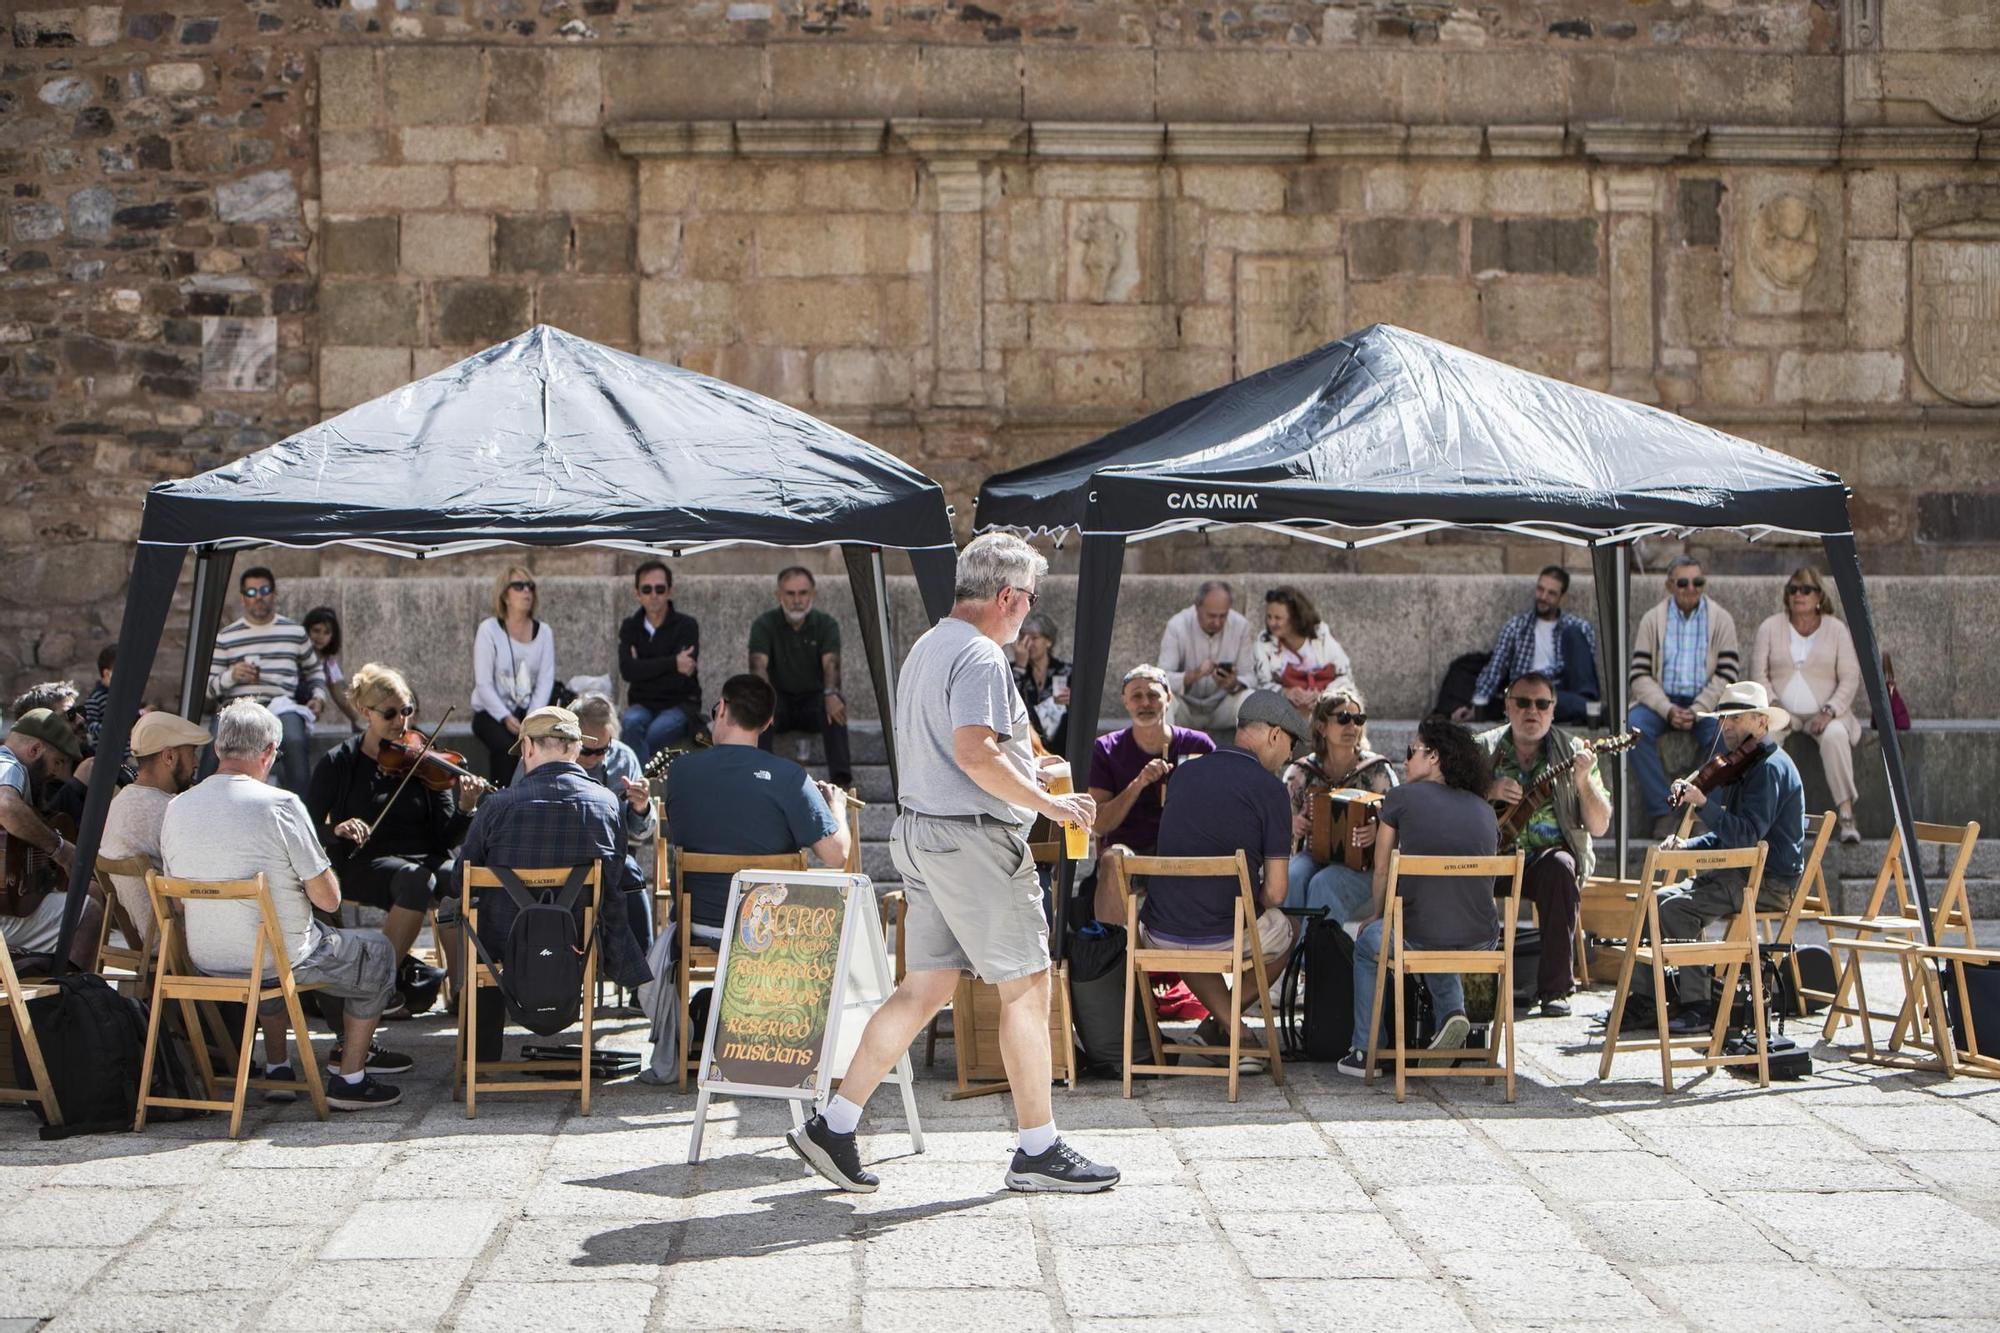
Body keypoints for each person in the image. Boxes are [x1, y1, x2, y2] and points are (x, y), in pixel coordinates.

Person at [786, 532, 1118, 1196]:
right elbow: (975, 752)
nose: (1029, 613)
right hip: (969, 839)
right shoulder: (980, 655)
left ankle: (836, 1123)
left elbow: (965, 749)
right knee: (1026, 984)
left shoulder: (930, 644)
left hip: (924, 832)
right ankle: (1038, 1146)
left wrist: (1026, 769)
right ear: (1006, 595)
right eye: (1029, 599)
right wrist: (1047, 805)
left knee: (925, 986)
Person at [163, 701, 405, 1109]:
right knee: (375, 953)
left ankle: (278, 1068)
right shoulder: (280, 805)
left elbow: (183, 904)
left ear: (220, 749)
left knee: (269, 945)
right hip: (276, 959)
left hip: (205, 958)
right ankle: (350, 1078)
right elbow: (328, 898)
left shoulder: (177, 807)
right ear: (269, 752)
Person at [456, 705, 649, 1063]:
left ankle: (479, 1064)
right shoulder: (607, 804)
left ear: (528, 747)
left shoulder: (497, 806)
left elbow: (461, 878)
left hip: (503, 945)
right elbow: (615, 875)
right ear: (575, 748)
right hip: (581, 941)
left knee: (476, 928)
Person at [1126, 690, 1303, 1068]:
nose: (1288, 757)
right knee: (1289, 929)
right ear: (1274, 735)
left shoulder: (1183, 774)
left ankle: (1216, 1025)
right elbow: (1275, 891)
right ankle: (1235, 1032)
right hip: (1223, 934)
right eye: (1290, 745)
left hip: (1158, 932)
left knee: (1189, 928)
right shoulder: (1271, 789)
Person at [306, 664, 481, 1008]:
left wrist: (466, 807)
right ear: (365, 712)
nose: (401, 722)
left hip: (422, 857)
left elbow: (445, 839)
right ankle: (377, 986)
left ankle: (461, 990)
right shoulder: (339, 763)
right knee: (418, 882)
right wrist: (336, 829)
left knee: (456, 876)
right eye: (389, 713)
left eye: (407, 711)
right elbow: (305, 830)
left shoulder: (423, 756)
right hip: (363, 861)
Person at [1341, 717, 1499, 1077]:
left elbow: (1381, 869)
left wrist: (1377, 914)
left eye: (1412, 751)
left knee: (1371, 943)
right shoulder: (1485, 810)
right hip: (1481, 939)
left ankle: (1365, 1050)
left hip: (1420, 936)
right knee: (1434, 931)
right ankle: (1452, 1016)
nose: (1405, 760)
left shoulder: (1400, 798)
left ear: (1434, 758)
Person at [1652, 680, 1807, 1026]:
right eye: (1725, 719)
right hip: (1741, 872)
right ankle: (1649, 999)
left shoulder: (1768, 769)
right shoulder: (1745, 766)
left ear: (1762, 723)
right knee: (1656, 901)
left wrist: (1705, 805)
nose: (1728, 726)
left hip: (1766, 881)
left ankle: (1698, 1006)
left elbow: (1747, 837)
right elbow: (1727, 838)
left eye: (1737, 718)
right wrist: (1686, 846)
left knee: (1678, 909)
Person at [661, 674, 849, 934]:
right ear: (768, 722)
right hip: (768, 929)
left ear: (723, 708)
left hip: (697, 923)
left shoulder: (680, 771)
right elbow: (837, 855)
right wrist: (837, 806)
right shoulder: (791, 778)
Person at [1476, 671, 1612, 1017]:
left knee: (1561, 868)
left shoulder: (1574, 750)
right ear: (1507, 706)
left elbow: (1598, 826)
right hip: (1490, 855)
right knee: (1464, 873)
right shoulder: (1482, 749)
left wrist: (1583, 781)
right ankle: (1474, 982)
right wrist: (1487, 790)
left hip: (1543, 859)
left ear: (1552, 710)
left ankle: (1555, 990)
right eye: (1522, 702)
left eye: (1541, 704)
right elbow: (1448, 799)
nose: (1531, 711)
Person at [1750, 567, 1863, 846]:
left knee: (1836, 736)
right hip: (1781, 711)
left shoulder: (1836, 629)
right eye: (1793, 590)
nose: (1798, 595)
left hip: (1826, 713)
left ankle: (1847, 814)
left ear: (1819, 596)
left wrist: (1829, 711)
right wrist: (1775, 706)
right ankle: (1762, 819)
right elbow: (1758, 673)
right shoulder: (1770, 627)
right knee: (1764, 741)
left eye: (1806, 589)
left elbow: (1850, 677)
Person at [1627, 556, 1739, 838]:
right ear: (1669, 585)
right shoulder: (1653, 619)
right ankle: (1663, 811)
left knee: (1726, 736)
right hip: (1662, 701)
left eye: (1698, 582)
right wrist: (1667, 709)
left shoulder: (1721, 619)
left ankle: (1705, 814)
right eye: (1683, 582)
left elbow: (1728, 675)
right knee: (1632, 728)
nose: (1691, 588)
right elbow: (1638, 676)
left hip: (1706, 702)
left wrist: (1700, 708)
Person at [207, 566, 329, 796]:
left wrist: (318, 698)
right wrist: (232, 675)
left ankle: (302, 810)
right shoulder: (227, 636)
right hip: (236, 706)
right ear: (243, 598)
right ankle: (205, 805)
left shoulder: (294, 632)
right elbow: (209, 688)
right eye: (251, 592)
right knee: (213, 742)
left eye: (264, 590)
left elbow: (315, 672)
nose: (259, 597)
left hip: (281, 705)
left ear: (274, 594)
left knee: (294, 740)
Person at [1284, 687, 1397, 924]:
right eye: (1343, 718)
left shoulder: (1377, 770)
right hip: (1313, 855)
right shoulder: (1301, 772)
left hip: (1364, 866)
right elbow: (1278, 819)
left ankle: (1317, 957)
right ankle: (1288, 950)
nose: (1352, 727)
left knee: (1324, 883)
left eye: (1358, 719)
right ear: (1321, 726)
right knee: (1292, 875)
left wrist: (1379, 832)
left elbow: (1401, 819)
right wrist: (1293, 823)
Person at [100, 711, 212, 949]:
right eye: (192, 753)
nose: (196, 763)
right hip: (180, 943)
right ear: (169, 756)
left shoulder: (119, 803)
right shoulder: (170, 810)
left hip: (147, 937)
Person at [0, 709, 97, 967]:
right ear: (35, 750)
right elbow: (6, 807)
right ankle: (64, 1001)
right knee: (88, 912)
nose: (58, 772)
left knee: (86, 894)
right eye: (57, 762)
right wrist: (60, 849)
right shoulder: (9, 766)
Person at [1087, 665, 1215, 856]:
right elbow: (1099, 826)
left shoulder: (1198, 745)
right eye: (1136, 696)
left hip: (1184, 851)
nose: (1145, 703)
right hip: (1128, 851)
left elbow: (1216, 805)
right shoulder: (1106, 749)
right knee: (1114, 857)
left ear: (1169, 698)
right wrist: (1139, 783)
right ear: (1125, 702)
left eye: (1154, 695)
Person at [1455, 566, 1601, 725]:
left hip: (1564, 691)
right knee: (1535, 700)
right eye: (1540, 589)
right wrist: (1476, 707)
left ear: (1562, 598)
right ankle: (1591, 710)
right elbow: (1495, 670)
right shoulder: (1516, 627)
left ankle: (1585, 706)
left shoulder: (1581, 627)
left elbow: (1583, 673)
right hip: (1530, 694)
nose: (1543, 597)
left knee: (1573, 633)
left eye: (1551, 593)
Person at [749, 566, 852, 788]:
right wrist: (765, 701)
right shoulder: (764, 624)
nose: (797, 600)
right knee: (759, 702)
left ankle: (841, 781)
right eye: (790, 593)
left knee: (836, 702)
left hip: (814, 703)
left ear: (812, 595)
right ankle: (760, 778)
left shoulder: (826, 624)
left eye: (803, 593)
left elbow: (831, 663)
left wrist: (831, 693)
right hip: (779, 704)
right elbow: (758, 666)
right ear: (779, 596)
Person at [473, 565, 558, 786]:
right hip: (492, 713)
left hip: (530, 713)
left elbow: (545, 681)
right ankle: (500, 802)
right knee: (505, 748)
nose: (526, 592)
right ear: (505, 595)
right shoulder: (489, 629)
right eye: (518, 586)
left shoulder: (544, 632)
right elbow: (483, 684)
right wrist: (505, 717)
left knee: (541, 747)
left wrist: (530, 720)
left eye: (530, 586)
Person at [618, 560, 701, 765]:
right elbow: (628, 671)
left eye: (660, 589)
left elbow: (682, 681)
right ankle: (642, 788)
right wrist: (673, 663)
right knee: (629, 723)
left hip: (679, 704)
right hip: (642, 704)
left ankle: (637, 788)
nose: (653, 595)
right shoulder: (630, 626)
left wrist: (644, 668)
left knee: (654, 734)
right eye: (647, 589)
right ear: (637, 593)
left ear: (670, 591)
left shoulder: (686, 626)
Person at [1157, 580, 1255, 733]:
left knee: (1249, 699)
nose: (1217, 622)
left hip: (1222, 707)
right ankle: (1164, 756)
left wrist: (1234, 684)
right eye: (1211, 616)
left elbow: (1250, 676)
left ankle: (1245, 756)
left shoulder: (1240, 626)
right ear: (1197, 607)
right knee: (1163, 702)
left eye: (1223, 616)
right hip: (1185, 709)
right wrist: (1195, 675)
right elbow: (1161, 678)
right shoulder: (1177, 626)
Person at [1251, 585, 1355, 718]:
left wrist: (1324, 695)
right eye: (1269, 617)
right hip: (1285, 712)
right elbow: (1259, 684)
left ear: (1295, 618)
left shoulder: (1320, 635)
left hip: (1325, 708)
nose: (1272, 623)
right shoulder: (1264, 643)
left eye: (1278, 618)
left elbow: (1345, 676)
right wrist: (1286, 692)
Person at [1013, 611, 1071, 756]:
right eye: (1023, 637)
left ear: (1048, 641)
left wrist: (1073, 700)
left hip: (1062, 747)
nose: (1028, 643)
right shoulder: (1013, 670)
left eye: (1034, 637)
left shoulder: (1066, 671)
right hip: (1028, 749)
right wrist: (1020, 667)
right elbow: (1009, 700)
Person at [303, 606, 362, 731]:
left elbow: (342, 695)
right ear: (307, 631)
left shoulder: (328, 663)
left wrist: (358, 719)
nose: (320, 636)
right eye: (316, 631)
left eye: (326, 633)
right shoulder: (297, 656)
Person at [83, 646, 115, 744]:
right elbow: (89, 726)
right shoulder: (95, 700)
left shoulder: (124, 696)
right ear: (107, 674)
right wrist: (114, 729)